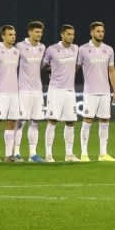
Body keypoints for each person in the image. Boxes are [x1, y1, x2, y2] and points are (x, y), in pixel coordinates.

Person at [77, 21, 115, 162]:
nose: (101, 33)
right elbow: (75, 68)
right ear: (92, 33)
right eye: (98, 31)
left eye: (102, 31)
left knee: (105, 120)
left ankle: (103, 154)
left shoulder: (109, 50)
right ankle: (84, 153)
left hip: (105, 91)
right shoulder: (82, 49)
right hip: (90, 92)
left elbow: (111, 70)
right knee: (88, 120)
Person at [42, 25, 80, 162]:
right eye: (69, 34)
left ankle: (69, 154)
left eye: (73, 34)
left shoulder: (76, 49)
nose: (71, 36)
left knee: (70, 122)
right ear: (62, 35)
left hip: (70, 91)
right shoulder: (52, 49)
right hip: (56, 90)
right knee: (52, 121)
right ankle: (48, 154)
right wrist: (52, 73)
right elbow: (44, 65)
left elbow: (78, 65)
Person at [16, 21, 48, 162]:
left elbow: (42, 66)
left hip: (37, 90)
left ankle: (33, 154)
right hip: (23, 90)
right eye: (36, 32)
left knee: (35, 122)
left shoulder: (42, 47)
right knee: (21, 122)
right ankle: (16, 152)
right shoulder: (20, 47)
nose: (39, 35)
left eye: (40, 32)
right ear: (29, 32)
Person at [0, 25, 21, 162]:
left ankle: (9, 155)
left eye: (14, 34)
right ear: (3, 36)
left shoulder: (16, 52)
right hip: (0, 92)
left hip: (14, 92)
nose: (13, 37)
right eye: (10, 34)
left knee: (11, 123)